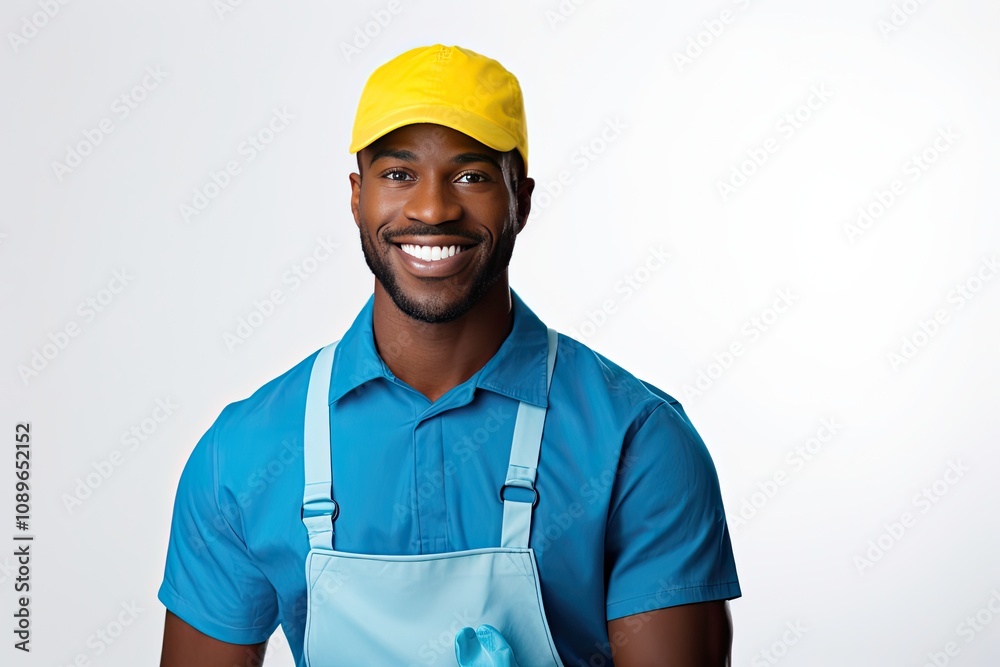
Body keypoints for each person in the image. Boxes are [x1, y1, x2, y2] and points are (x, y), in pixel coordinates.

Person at [157, 44, 741, 667]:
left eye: (471, 176)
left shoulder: (638, 441)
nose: (433, 209)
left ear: (522, 196)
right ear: (357, 196)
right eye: (399, 175)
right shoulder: (245, 451)